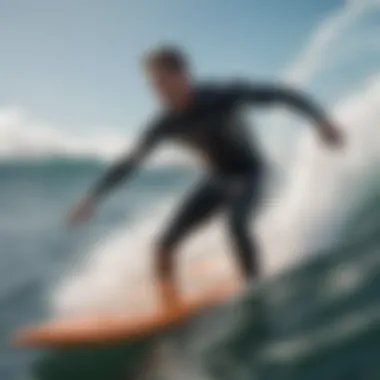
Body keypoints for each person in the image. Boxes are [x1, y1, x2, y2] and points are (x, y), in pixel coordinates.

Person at [67, 45, 343, 310]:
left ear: (182, 74)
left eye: (162, 82)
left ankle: (255, 294)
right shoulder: (164, 123)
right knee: (162, 246)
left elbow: (280, 95)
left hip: (249, 173)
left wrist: (320, 120)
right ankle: (169, 306)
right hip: (216, 180)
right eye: (153, 85)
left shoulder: (221, 95)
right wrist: (94, 196)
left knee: (236, 226)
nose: (158, 91)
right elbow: (130, 162)